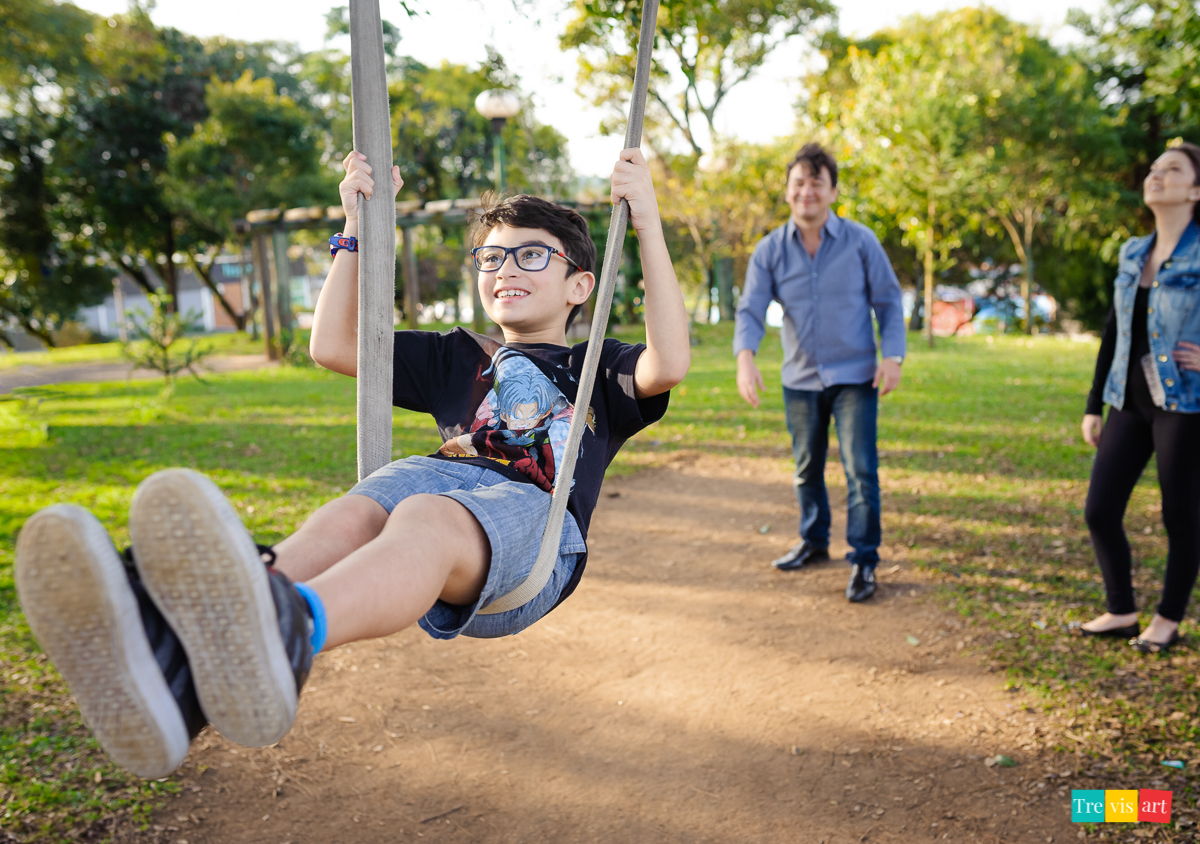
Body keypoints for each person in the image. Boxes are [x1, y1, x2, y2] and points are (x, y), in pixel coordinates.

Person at [15, 146, 690, 778]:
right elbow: (334, 345)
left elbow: (672, 362)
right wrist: (354, 229)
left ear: (580, 287)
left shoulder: (599, 363)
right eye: (490, 258)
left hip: (534, 527)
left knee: (425, 511)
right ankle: (173, 667)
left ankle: (292, 624)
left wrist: (648, 222)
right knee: (358, 509)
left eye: (531, 256)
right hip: (438, 481)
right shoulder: (456, 354)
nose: (505, 269)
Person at [734, 143, 905, 603]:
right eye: (799, 183)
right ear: (788, 191)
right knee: (807, 469)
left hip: (855, 377)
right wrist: (745, 357)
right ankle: (813, 541)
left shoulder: (861, 241)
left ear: (832, 191)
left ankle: (865, 560)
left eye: (816, 182)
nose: (807, 191)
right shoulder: (770, 249)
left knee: (861, 470)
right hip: (801, 379)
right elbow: (751, 308)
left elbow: (888, 301)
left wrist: (893, 356)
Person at [1076, 142, 1200, 654]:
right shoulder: (1133, 252)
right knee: (1100, 509)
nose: (1157, 175)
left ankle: (1168, 618)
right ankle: (1121, 609)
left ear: (1195, 190)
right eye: (1154, 168)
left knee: (1181, 515)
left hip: (1185, 405)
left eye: (1172, 170)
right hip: (1127, 400)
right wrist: (1091, 403)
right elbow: (1113, 330)